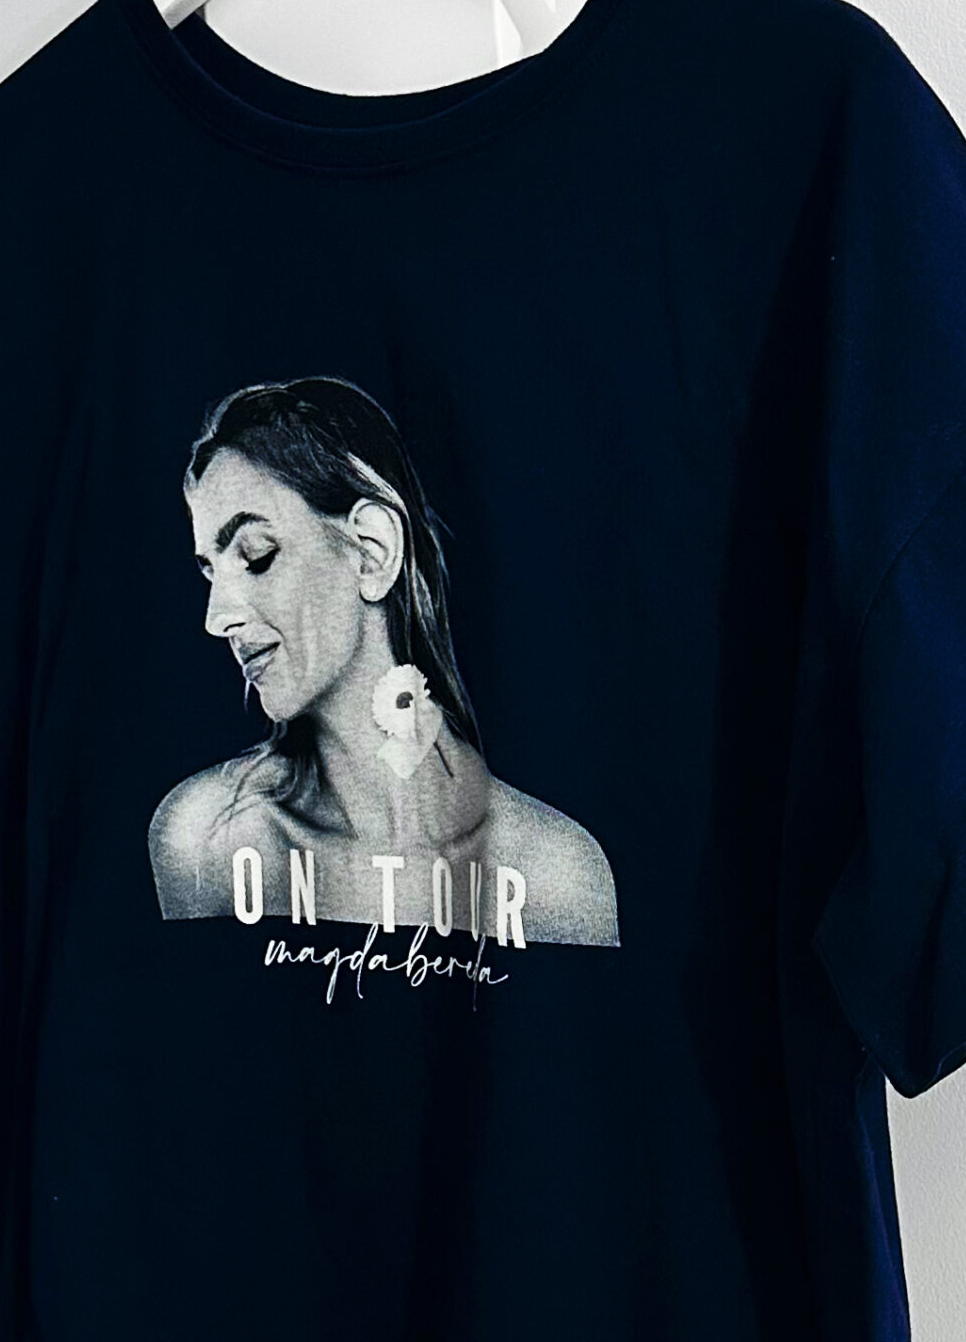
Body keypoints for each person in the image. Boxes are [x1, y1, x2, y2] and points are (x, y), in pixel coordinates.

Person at [147, 377, 618, 946]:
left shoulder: (556, 874)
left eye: (257, 556)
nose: (217, 618)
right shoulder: (204, 838)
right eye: (210, 572)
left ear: (372, 552)